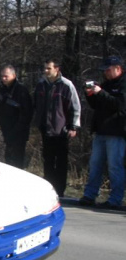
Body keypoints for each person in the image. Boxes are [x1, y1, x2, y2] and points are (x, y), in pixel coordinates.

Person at [79, 56, 126, 209]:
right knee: (95, 164)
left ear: (117, 68)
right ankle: (90, 195)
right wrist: (90, 94)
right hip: (100, 131)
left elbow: (119, 104)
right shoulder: (106, 84)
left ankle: (115, 199)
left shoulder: (123, 84)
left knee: (114, 166)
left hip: (116, 132)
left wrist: (101, 93)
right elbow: (97, 105)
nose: (105, 72)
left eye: (108, 69)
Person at [33, 59, 81, 197]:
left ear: (57, 69)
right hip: (45, 129)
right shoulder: (41, 84)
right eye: (45, 68)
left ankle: (60, 190)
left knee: (61, 161)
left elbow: (75, 106)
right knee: (47, 160)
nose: (45, 71)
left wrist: (73, 126)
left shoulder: (66, 85)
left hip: (61, 130)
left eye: (48, 68)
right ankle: (49, 189)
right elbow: (36, 104)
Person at [0, 65, 34, 169]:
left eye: (6, 76)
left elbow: (27, 114)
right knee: (8, 159)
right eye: (2, 76)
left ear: (14, 75)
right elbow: (0, 109)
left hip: (18, 133)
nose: (3, 78)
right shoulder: (2, 89)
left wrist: (16, 130)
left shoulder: (21, 91)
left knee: (17, 161)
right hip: (7, 131)